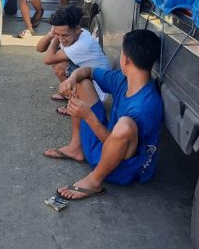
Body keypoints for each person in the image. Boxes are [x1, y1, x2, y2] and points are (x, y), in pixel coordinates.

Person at [43, 30, 163, 200]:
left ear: (126, 59)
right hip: (107, 142)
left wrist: (88, 116)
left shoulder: (145, 106)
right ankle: (77, 147)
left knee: (125, 126)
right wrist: (72, 79)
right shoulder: (124, 79)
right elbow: (89, 71)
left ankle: (94, 180)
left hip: (123, 167)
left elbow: (121, 150)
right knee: (81, 83)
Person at [35, 6, 109, 115]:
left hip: (97, 93)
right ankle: (68, 94)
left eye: (64, 35)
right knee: (58, 61)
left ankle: (75, 102)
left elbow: (47, 59)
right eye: (58, 34)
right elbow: (39, 48)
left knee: (60, 66)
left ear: (77, 29)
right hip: (90, 80)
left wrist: (55, 38)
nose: (61, 39)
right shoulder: (72, 32)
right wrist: (51, 34)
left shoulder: (84, 43)